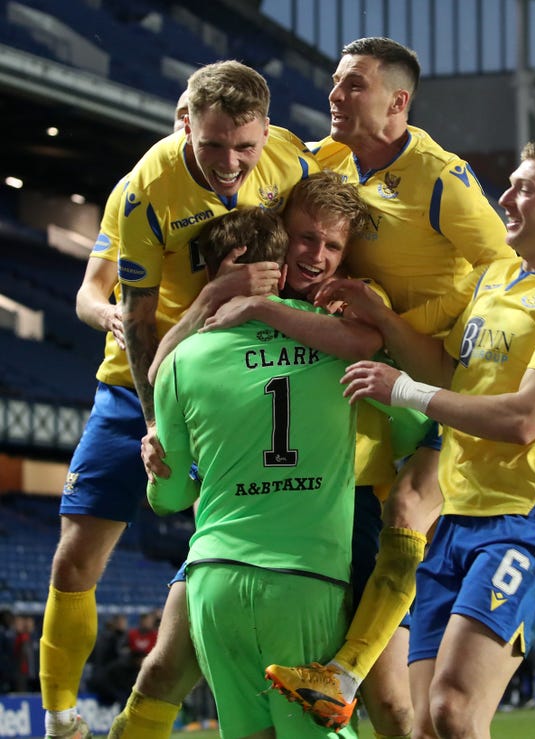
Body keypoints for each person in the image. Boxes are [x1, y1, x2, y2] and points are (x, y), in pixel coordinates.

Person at [268, 141, 535, 738]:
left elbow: (522, 419)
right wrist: (381, 320)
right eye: (509, 183)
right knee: (424, 725)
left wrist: (401, 390)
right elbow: (447, 371)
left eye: (524, 189)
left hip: (525, 519)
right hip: (454, 520)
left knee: (455, 711)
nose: (505, 198)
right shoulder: (497, 275)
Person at [39, 60, 318, 739]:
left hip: (241, 381)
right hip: (143, 382)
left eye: (244, 147)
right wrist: (158, 417)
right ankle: (60, 719)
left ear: (267, 132)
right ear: (184, 123)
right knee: (76, 553)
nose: (231, 163)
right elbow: (134, 321)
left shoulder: (289, 158)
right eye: (214, 144)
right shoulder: (146, 190)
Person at [109, 170, 430, 738]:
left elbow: (375, 357)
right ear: (281, 239)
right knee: (160, 668)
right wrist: (215, 298)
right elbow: (161, 375)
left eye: (333, 246)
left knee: (388, 701)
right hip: (261, 534)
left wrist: (256, 309)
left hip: (344, 511)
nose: (318, 256)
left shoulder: (352, 305)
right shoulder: (225, 317)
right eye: (307, 238)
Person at [300, 37, 513, 736]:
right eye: (335, 82)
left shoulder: (440, 178)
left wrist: (425, 333)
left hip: (432, 367)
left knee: (410, 510)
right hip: (366, 368)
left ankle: (343, 674)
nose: (336, 95)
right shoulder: (327, 159)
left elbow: (510, 272)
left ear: (398, 102)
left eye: (353, 85)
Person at [147, 204, 364, 739]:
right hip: (306, 578)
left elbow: (168, 498)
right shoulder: (335, 342)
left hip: (215, 578)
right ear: (283, 269)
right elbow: (408, 431)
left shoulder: (182, 359)